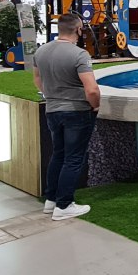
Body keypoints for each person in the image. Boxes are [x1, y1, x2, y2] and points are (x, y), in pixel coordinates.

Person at [34, 13, 100, 221]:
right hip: (77, 111)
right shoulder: (79, 54)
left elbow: (37, 79)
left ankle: (51, 200)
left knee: (58, 154)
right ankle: (64, 205)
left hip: (52, 109)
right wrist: (96, 106)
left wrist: (52, 95)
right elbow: (91, 89)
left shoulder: (41, 51)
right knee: (73, 159)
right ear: (78, 29)